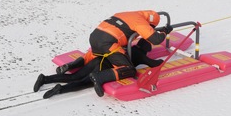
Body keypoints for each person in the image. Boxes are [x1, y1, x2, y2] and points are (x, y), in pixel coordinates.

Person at [33, 38, 164, 99]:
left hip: (99, 60)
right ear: (146, 50)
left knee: (74, 76)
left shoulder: (127, 48)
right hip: (104, 67)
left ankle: (45, 79)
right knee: (84, 82)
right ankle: (60, 89)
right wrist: (160, 61)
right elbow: (154, 63)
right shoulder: (140, 54)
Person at [89, 10, 173, 97]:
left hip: (95, 37)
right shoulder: (140, 21)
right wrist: (165, 31)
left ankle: (82, 63)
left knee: (113, 53)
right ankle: (100, 77)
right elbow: (156, 40)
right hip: (108, 43)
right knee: (129, 69)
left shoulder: (127, 14)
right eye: (151, 27)